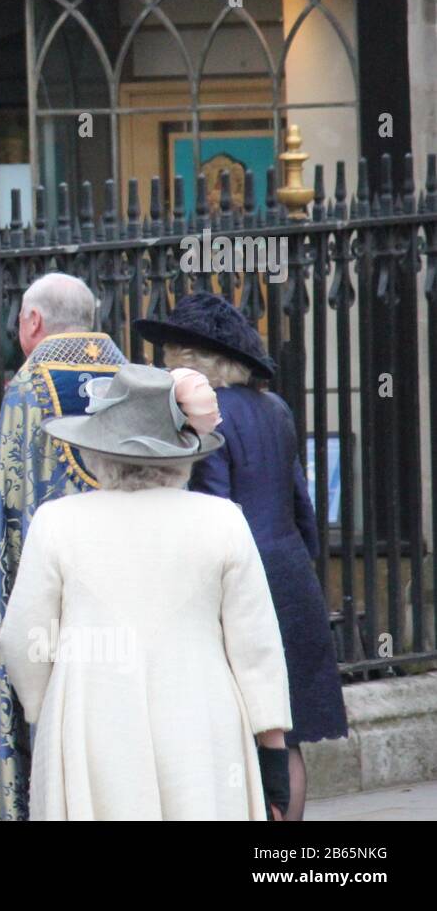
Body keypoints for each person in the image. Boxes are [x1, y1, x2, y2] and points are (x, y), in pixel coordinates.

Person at [0, 363, 293, 820]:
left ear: (97, 450)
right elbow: (256, 647)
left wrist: (52, 705)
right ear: (181, 451)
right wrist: (272, 755)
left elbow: (23, 641)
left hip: (92, 722)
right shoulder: (222, 520)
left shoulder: (58, 522)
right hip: (201, 719)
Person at [134, 292, 348, 820]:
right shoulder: (275, 408)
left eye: (172, 352)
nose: (164, 364)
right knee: (283, 730)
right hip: (290, 573)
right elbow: (303, 508)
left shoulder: (206, 420)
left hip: (240, 586)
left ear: (193, 360)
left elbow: (211, 519)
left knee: (241, 728)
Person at [0, 271, 126, 820]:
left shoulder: (27, 388)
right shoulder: (131, 379)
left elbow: (3, 515)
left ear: (32, 321)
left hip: (55, 611)